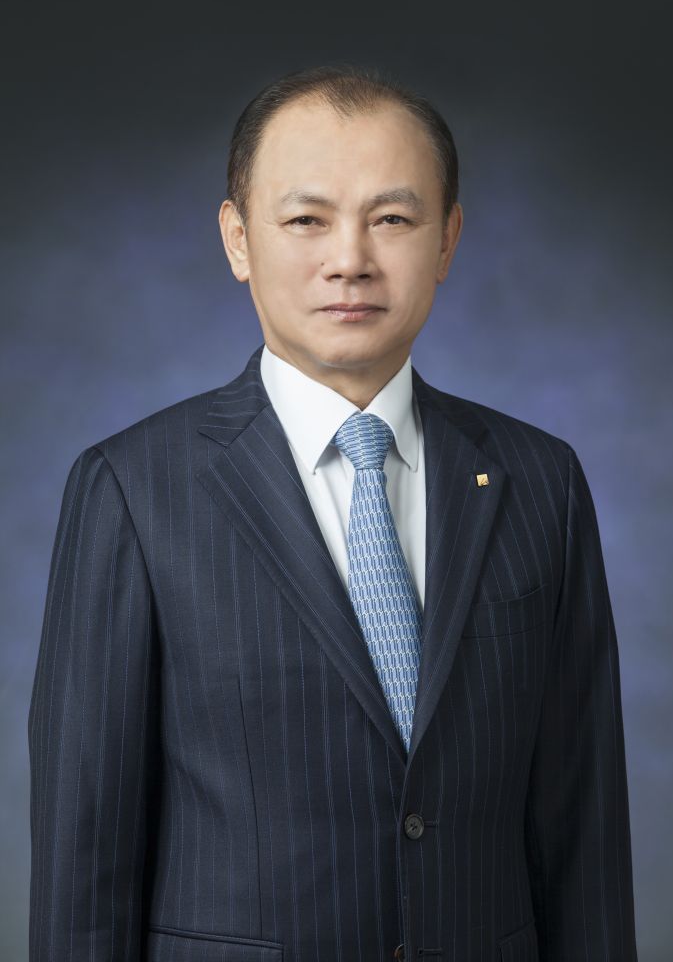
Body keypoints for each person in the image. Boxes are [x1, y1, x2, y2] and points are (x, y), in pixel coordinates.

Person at [28, 63, 638, 961]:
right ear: (238, 240)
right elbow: (86, 856)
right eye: (306, 220)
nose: (349, 259)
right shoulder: (131, 489)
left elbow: (583, 829)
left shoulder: (540, 479)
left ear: (448, 240)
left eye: (392, 219)